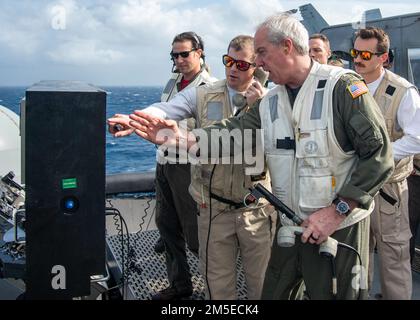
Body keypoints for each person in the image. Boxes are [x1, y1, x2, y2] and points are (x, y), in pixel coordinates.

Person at [127, 14, 395, 300]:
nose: (259, 63)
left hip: (339, 229)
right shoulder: (270, 101)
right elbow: (233, 132)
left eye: (262, 53)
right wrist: (178, 138)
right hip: (290, 225)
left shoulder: (342, 88)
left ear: (287, 47)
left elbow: (379, 156)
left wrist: (335, 212)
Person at [114, 35, 276, 300]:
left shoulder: (270, 101)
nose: (233, 68)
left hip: (255, 209)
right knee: (218, 286)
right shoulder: (203, 94)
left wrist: (260, 105)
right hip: (214, 208)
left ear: (256, 67)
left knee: (262, 285)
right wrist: (136, 120)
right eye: (228, 61)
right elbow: (167, 108)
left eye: (242, 64)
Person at [109, 31, 217, 300]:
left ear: (199, 52)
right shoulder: (173, 82)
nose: (179, 60)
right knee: (166, 226)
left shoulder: (211, 87)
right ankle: (180, 286)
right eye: (174, 55)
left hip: (188, 167)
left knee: (194, 235)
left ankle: (214, 286)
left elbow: (212, 134)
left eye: (184, 54)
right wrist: (134, 124)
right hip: (164, 162)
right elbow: (160, 113)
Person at [351, 27, 420, 300]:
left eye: (365, 54)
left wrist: (382, 155)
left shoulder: (403, 92)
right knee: (357, 256)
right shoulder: (349, 86)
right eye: (355, 52)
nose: (358, 59)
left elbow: (417, 138)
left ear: (383, 57)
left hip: (389, 191)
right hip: (356, 187)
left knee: (394, 256)